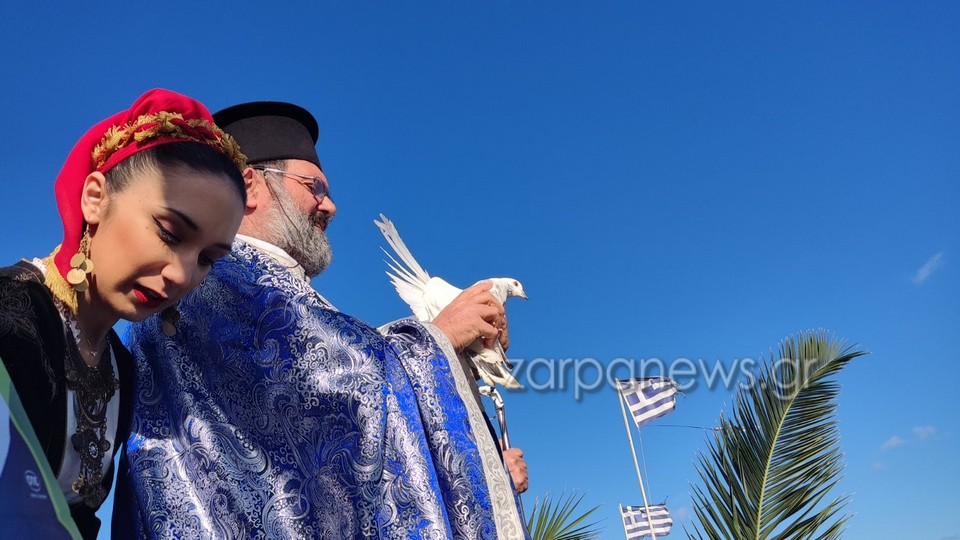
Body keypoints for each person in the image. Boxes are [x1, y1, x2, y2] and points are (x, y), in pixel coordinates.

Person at [115, 101, 529, 539]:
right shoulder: (213, 279)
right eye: (313, 186)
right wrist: (441, 336)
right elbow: (333, 385)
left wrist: (485, 464)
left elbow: (318, 455)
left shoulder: (258, 283)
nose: (329, 207)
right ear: (249, 185)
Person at [0, 88, 248, 539]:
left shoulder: (122, 367)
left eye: (208, 258)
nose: (182, 274)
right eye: (170, 232)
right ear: (95, 198)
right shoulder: (10, 311)